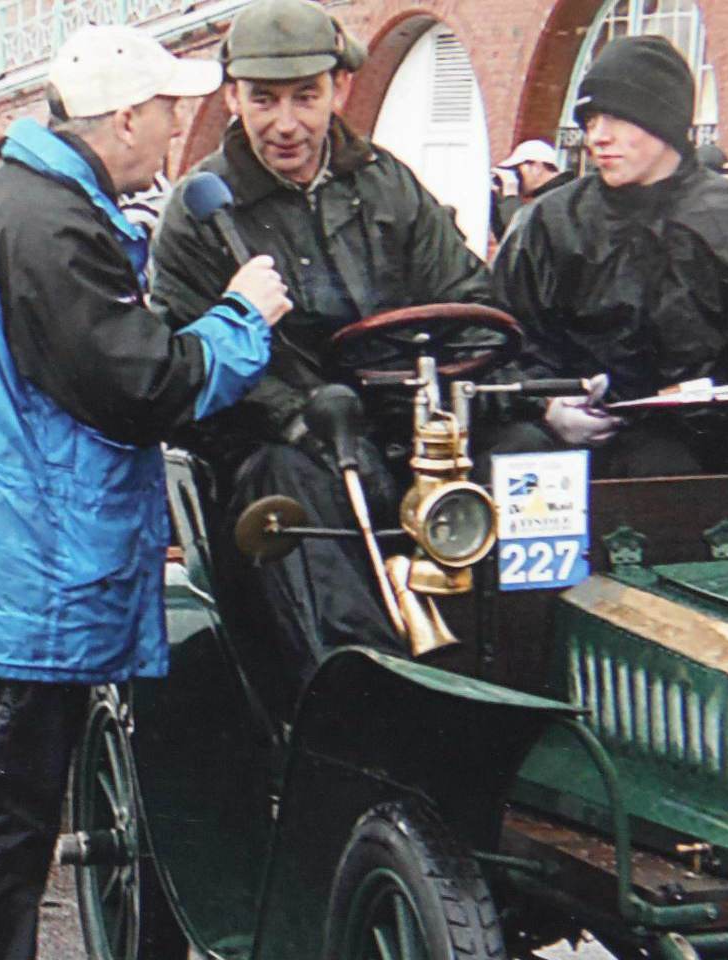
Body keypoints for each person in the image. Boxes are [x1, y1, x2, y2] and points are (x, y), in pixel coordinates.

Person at [0, 25, 288, 960]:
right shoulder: (47, 224)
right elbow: (139, 386)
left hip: (17, 570)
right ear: (126, 117)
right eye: (168, 112)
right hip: (25, 579)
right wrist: (243, 317)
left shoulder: (34, 204)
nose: (175, 130)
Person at [148, 0, 493, 674]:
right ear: (231, 97)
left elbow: (465, 294)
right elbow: (189, 352)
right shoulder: (199, 212)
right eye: (264, 99)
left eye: (305, 97)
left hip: (398, 425)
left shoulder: (388, 185)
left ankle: (528, 664)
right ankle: (361, 689)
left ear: (339, 88)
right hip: (268, 446)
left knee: (521, 458)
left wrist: (472, 377)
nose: (286, 124)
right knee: (294, 484)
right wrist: (301, 418)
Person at [492, 36, 728, 477]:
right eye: (590, 121)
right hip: (604, 432)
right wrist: (546, 404)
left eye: (615, 118)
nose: (598, 138)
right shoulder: (554, 222)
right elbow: (508, 337)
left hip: (727, 425)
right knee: (654, 464)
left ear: (662, 122)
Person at [492, 138, 573, 246]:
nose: (516, 176)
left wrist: (510, 194)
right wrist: (495, 202)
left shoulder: (561, 198)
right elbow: (508, 244)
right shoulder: (548, 196)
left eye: (517, 169)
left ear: (537, 167)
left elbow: (524, 239)